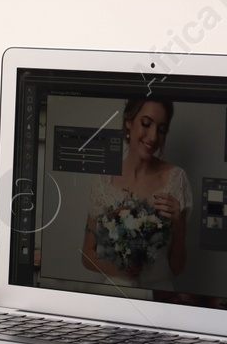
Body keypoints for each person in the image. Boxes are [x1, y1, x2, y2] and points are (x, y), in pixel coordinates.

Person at [80, 98, 190, 287]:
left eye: (161, 129)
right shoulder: (103, 182)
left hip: (157, 296)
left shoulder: (176, 180)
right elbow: (87, 254)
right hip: (114, 296)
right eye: (146, 124)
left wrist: (178, 225)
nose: (153, 137)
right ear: (128, 122)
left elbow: (178, 268)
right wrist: (119, 270)